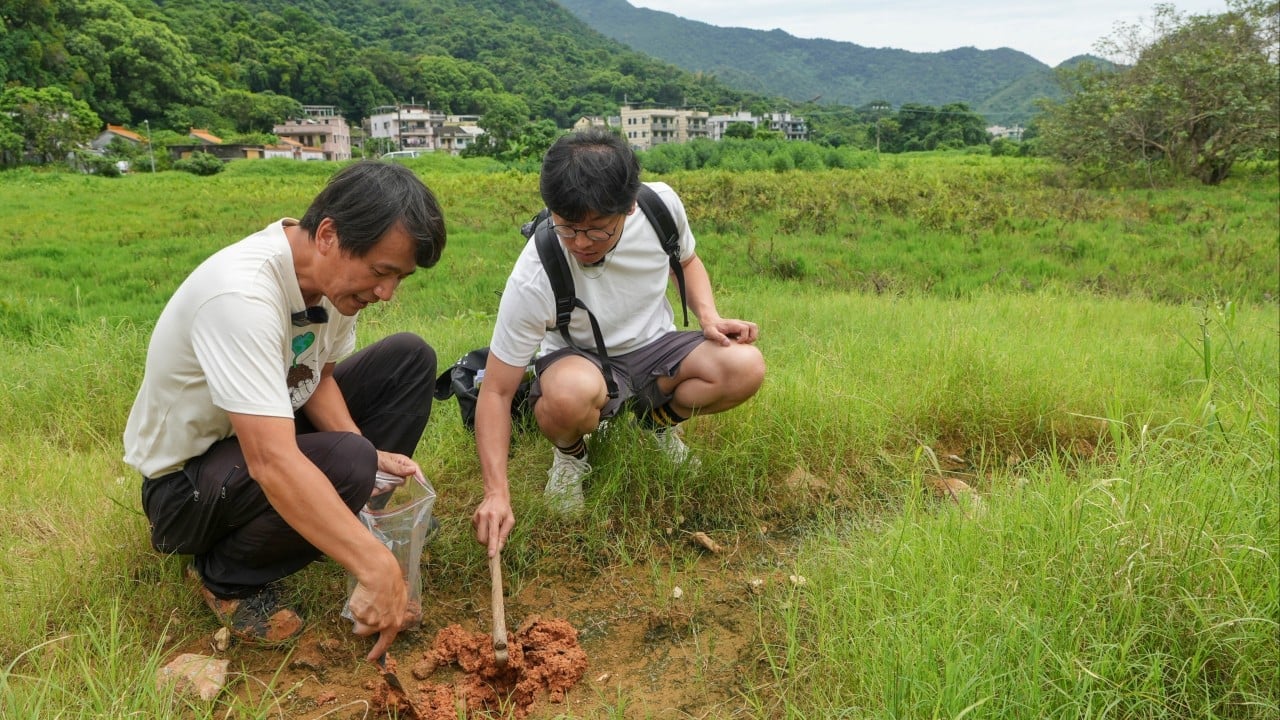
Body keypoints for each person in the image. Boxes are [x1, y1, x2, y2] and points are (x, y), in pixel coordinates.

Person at [123, 160, 446, 661]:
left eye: (398, 279)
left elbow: (315, 378)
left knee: (408, 360)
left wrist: (372, 453)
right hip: (184, 490)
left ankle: (353, 514)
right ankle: (227, 576)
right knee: (345, 462)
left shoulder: (331, 286)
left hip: (252, 440)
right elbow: (272, 462)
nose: (386, 294)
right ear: (329, 236)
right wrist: (377, 566)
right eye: (382, 273)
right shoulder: (241, 296)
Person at [471, 127, 765, 554]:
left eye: (597, 231)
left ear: (628, 208)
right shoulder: (536, 270)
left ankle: (654, 427)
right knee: (569, 396)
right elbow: (496, 391)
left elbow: (687, 259)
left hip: (655, 349)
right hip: (580, 360)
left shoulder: (659, 205)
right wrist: (496, 491)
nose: (581, 244)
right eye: (568, 228)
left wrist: (709, 316)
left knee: (745, 367)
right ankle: (571, 456)